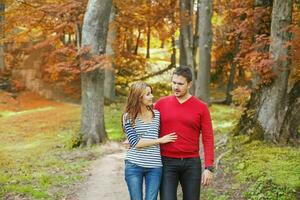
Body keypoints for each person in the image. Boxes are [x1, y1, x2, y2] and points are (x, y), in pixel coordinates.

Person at [154, 66, 215, 200]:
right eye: (174, 83)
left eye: (180, 84)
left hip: (191, 164)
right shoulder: (160, 104)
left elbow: (208, 138)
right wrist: (133, 136)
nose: (176, 87)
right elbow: (146, 123)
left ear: (189, 84)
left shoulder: (201, 107)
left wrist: (208, 167)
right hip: (166, 162)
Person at [122, 81, 177, 200]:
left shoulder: (156, 114)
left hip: (155, 167)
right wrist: (159, 140)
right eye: (148, 94)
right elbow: (135, 143)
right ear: (138, 97)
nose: (151, 96)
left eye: (151, 93)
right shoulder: (128, 117)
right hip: (134, 165)